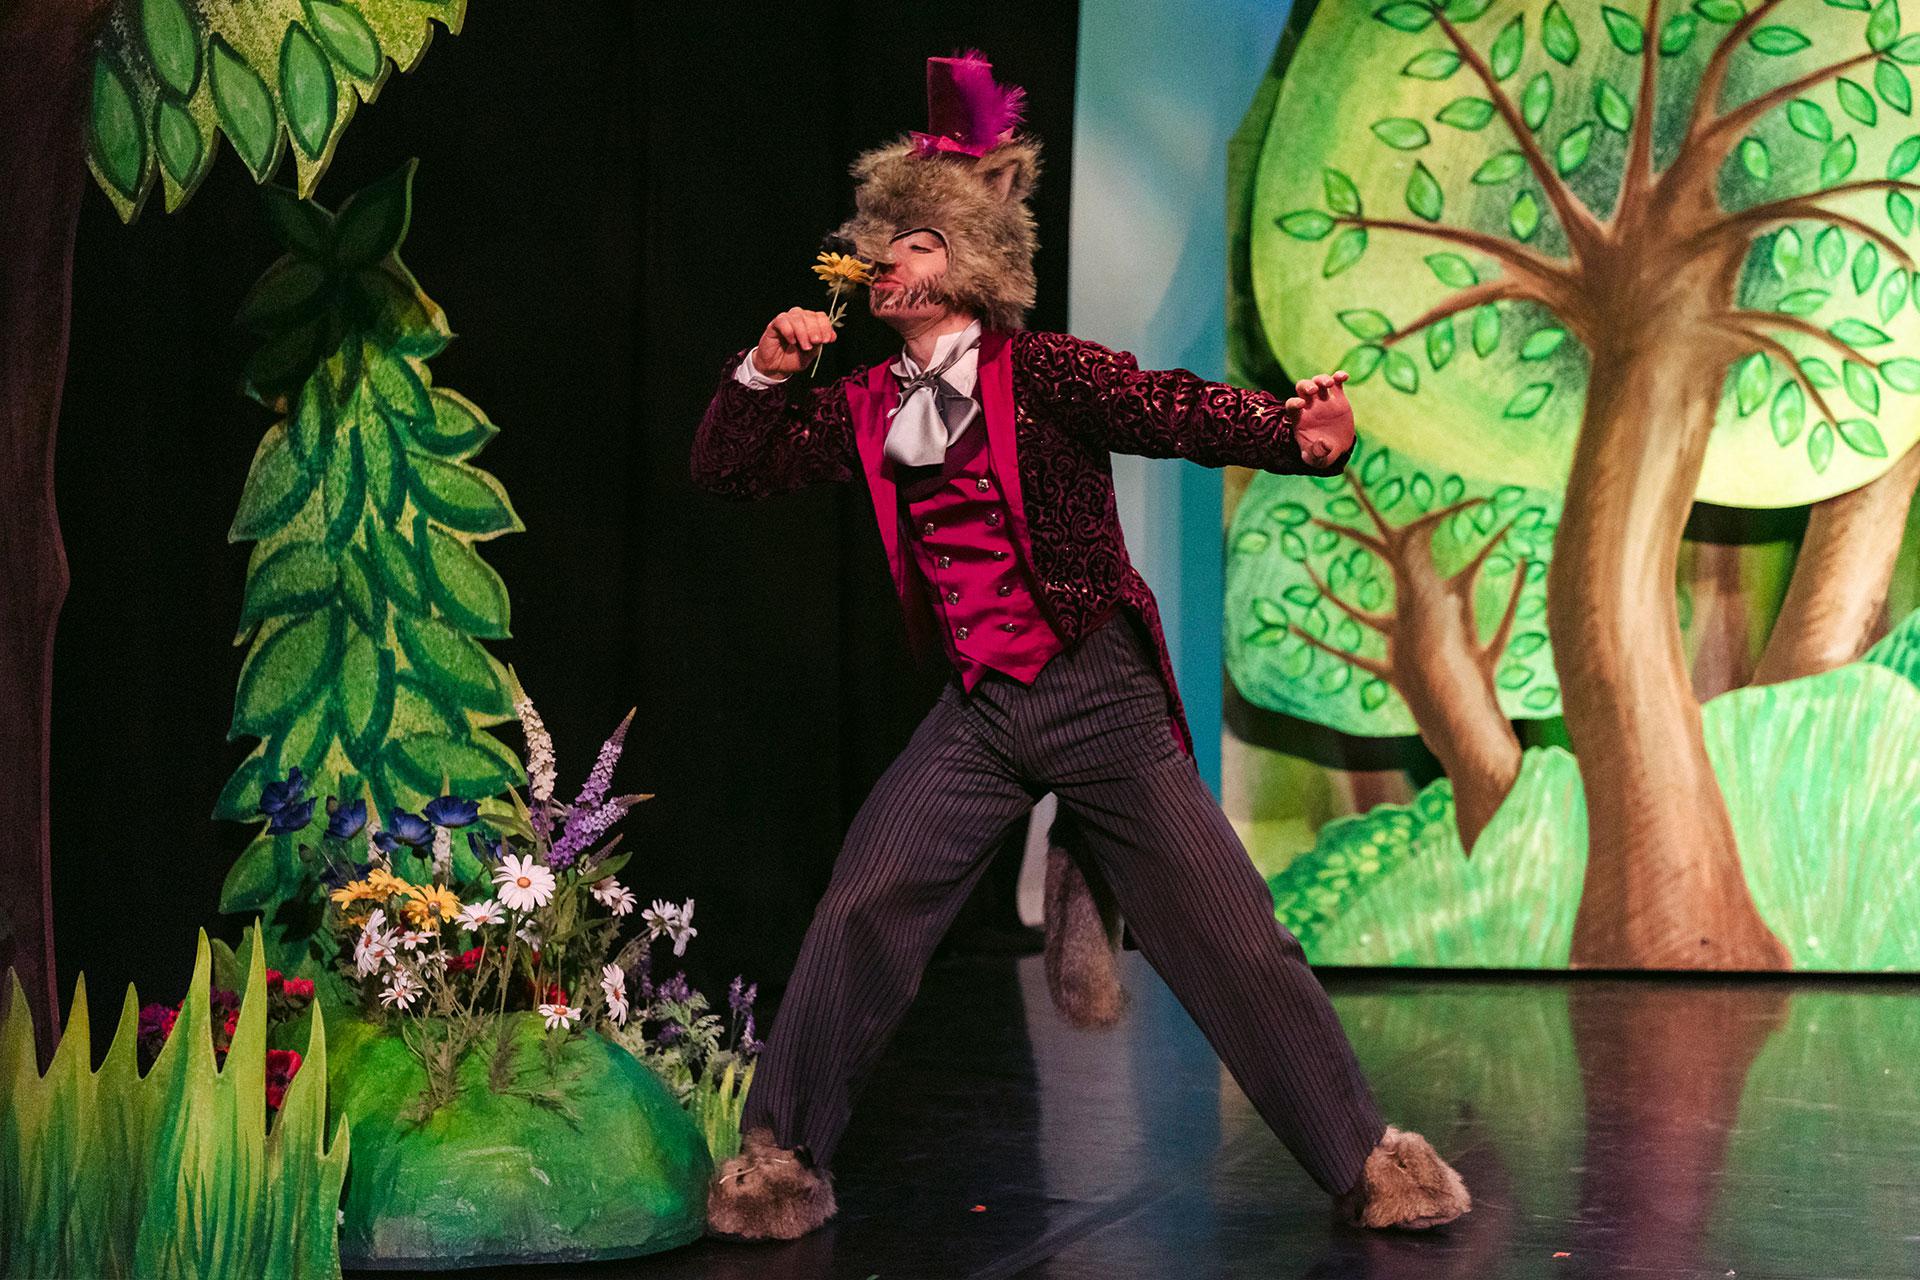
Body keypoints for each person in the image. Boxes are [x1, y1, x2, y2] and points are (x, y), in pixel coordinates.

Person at [690, 52, 1470, 1241]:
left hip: (1096, 688)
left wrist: (1293, 435)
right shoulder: (861, 404)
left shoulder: (1040, 372)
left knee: (1227, 936)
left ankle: (1370, 1158)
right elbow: (728, 468)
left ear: (970, 264)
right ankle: (780, 1158)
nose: (887, 258)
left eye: (916, 242)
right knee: (866, 895)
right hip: (983, 709)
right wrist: (764, 370)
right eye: (881, 240)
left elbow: (1170, 406)